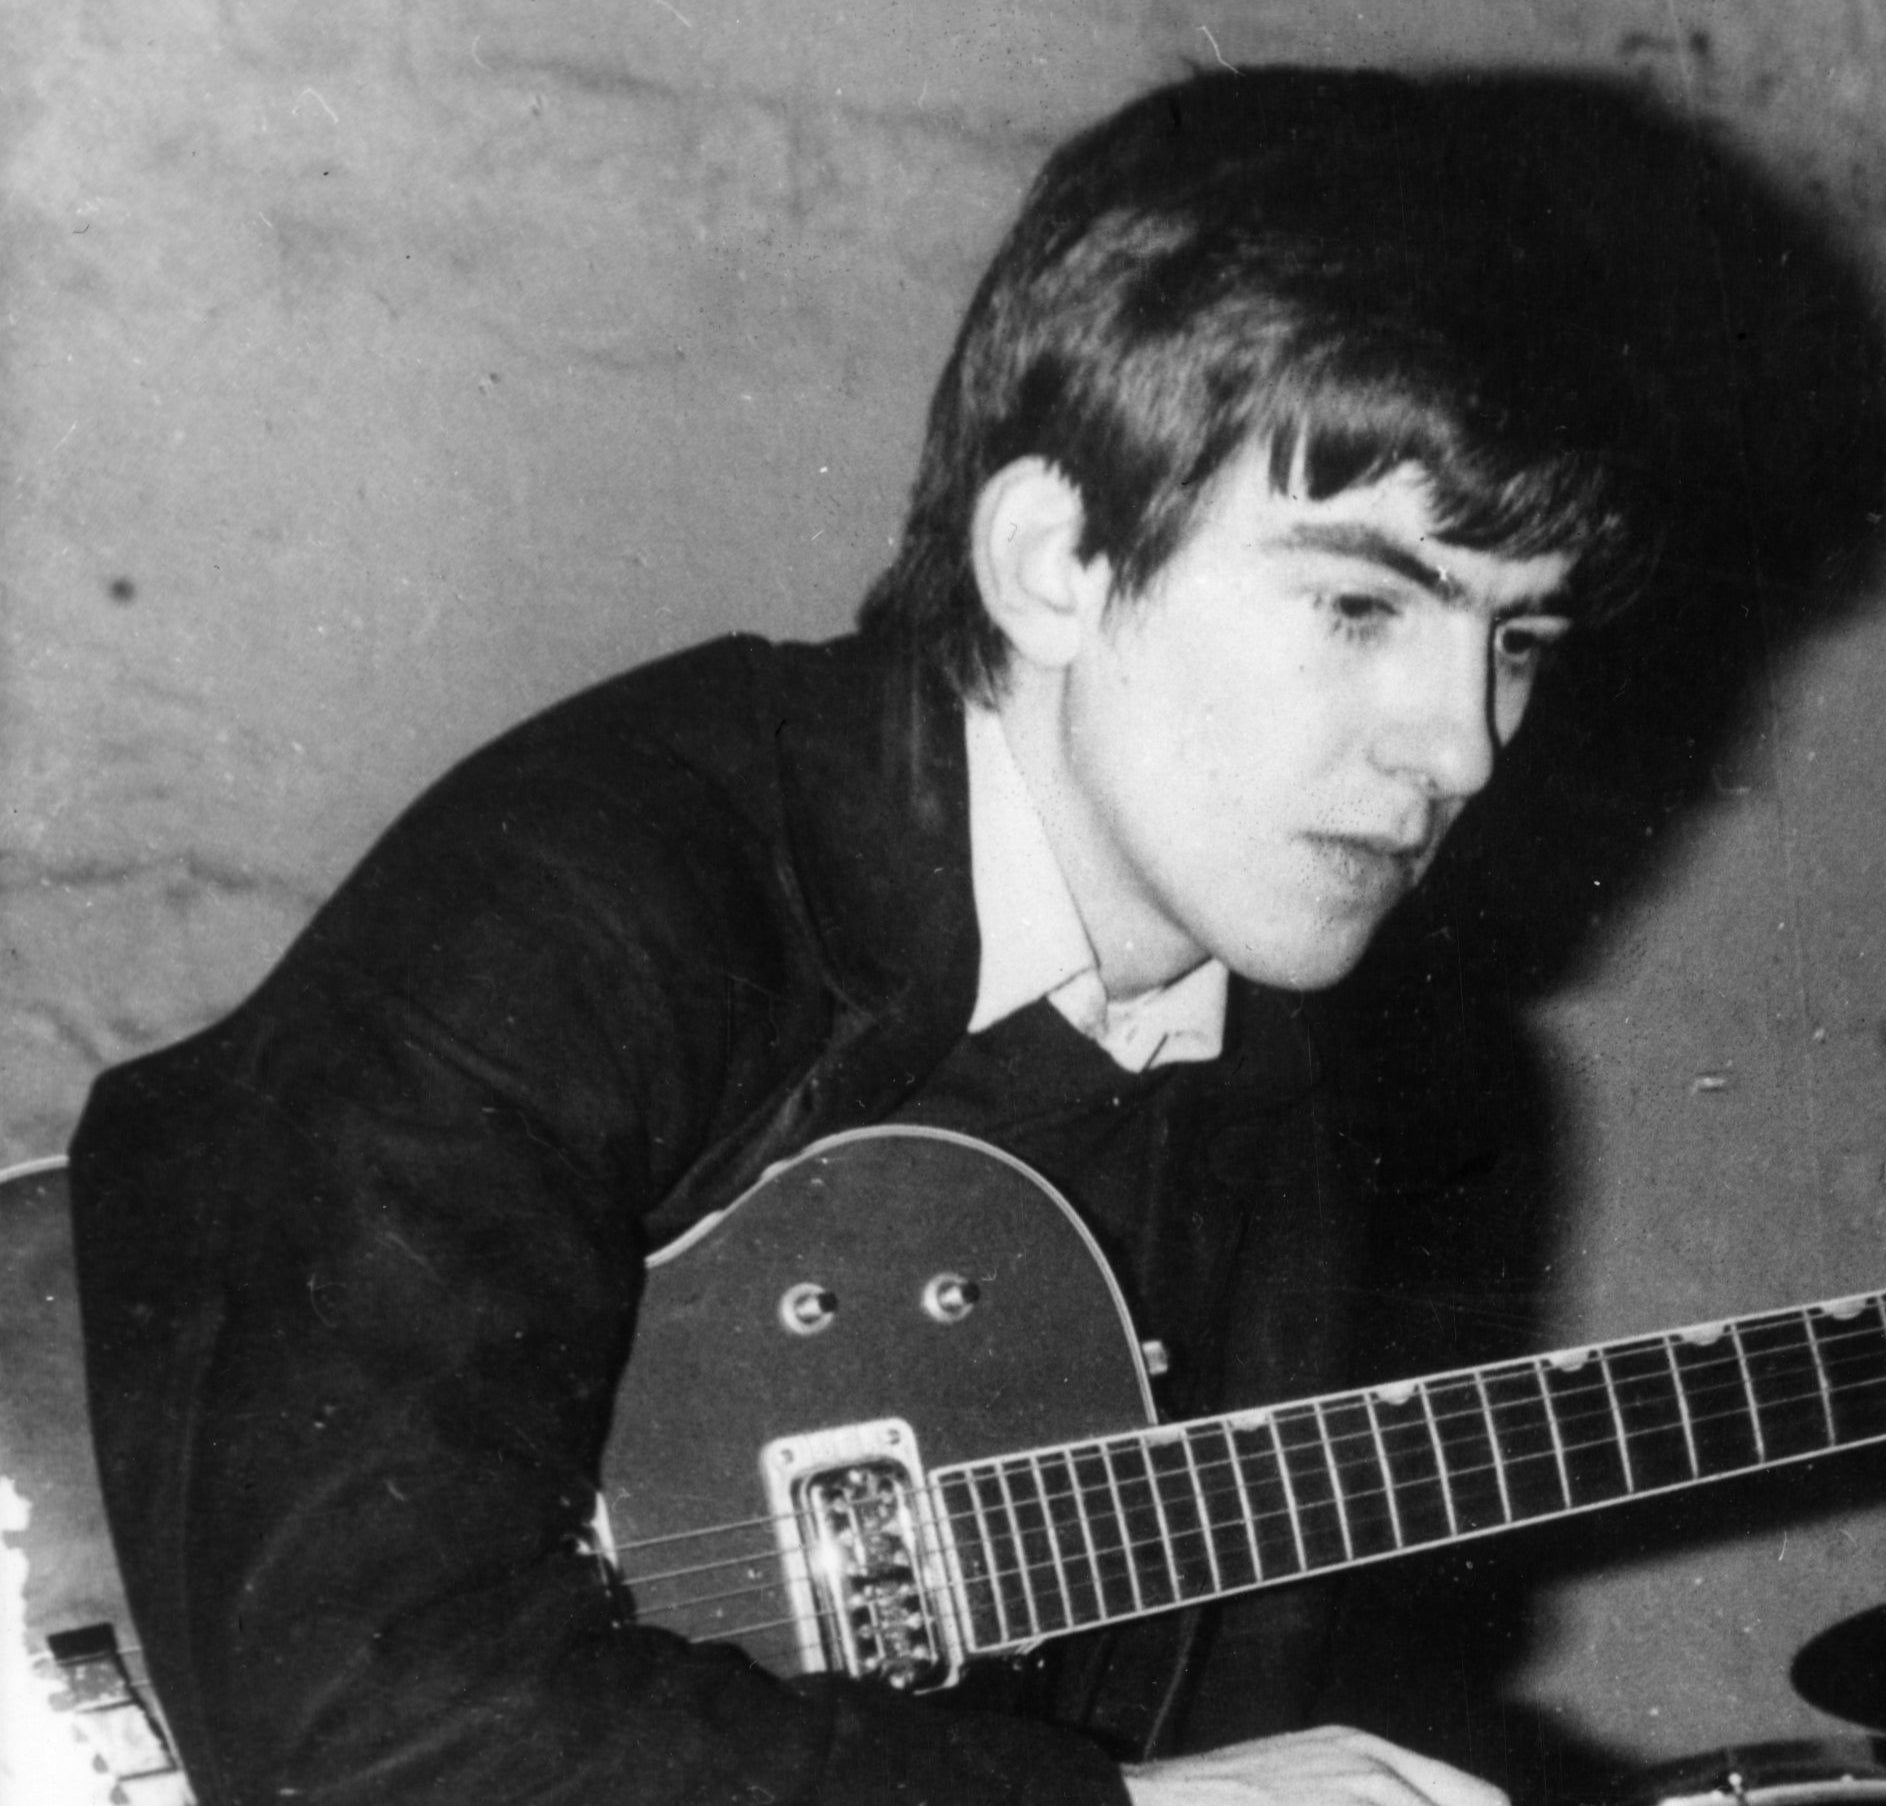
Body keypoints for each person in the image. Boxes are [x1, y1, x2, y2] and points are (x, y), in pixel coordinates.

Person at [67, 63, 1660, 1806]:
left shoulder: (1306, 1072)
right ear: (1053, 561)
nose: (1460, 745)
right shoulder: (597, 888)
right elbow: (362, 1724)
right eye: (1361, 604)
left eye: (1518, 640)